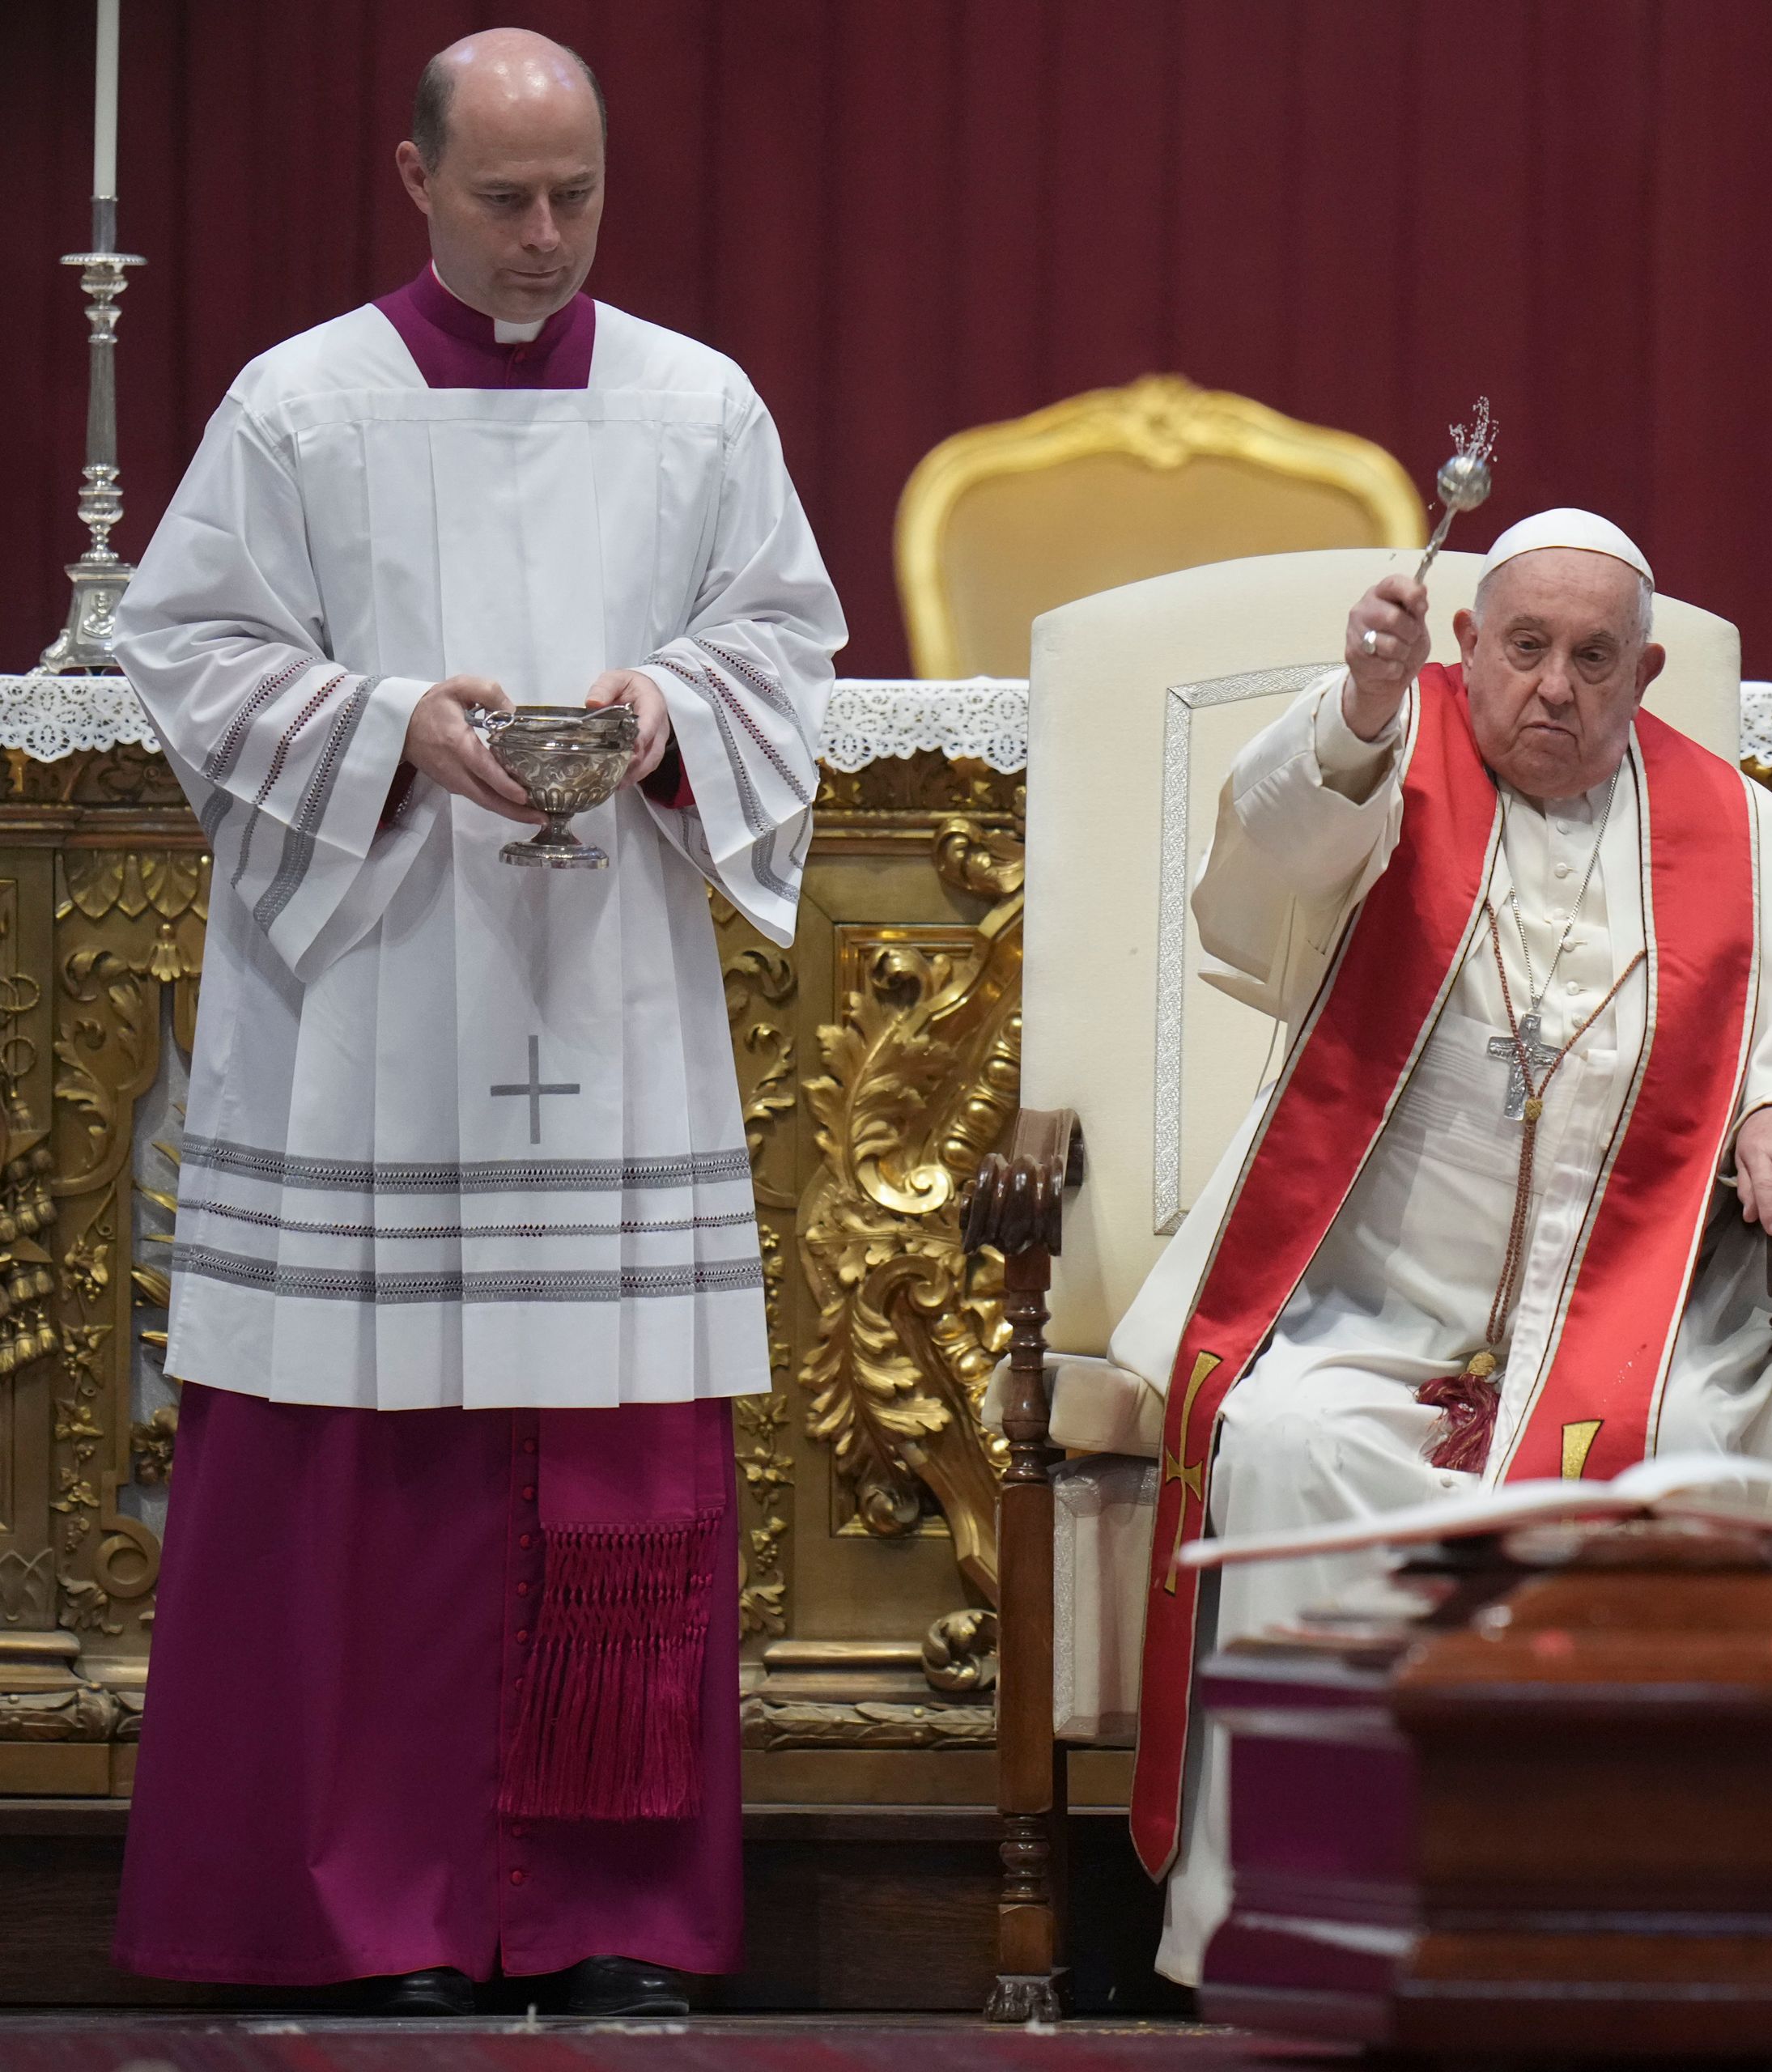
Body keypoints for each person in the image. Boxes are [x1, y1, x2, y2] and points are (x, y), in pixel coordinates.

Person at [108, 29, 839, 2015]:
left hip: (604, 1001)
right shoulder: (302, 406)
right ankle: (377, 1915)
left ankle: (611, 1916)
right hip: (373, 1008)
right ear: (413, 178)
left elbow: (788, 634)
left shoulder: (697, 407)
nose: (541, 236)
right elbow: (186, 641)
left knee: (615, 1465)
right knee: (369, 1477)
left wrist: (669, 710)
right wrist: (394, 727)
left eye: (576, 196)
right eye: (504, 196)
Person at [1109, 510, 1772, 1985]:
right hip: (1369, 1320)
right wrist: (1356, 705)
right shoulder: (1387, 777)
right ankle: (1315, 1924)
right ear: (1466, 648)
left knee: (1694, 1477)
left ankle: (1623, 1942)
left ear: (1646, 671)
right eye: (1523, 647)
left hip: (1643, 1327)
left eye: (1596, 659)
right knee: (1287, 1448)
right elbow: (1265, 865)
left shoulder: (1740, 829)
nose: (1556, 686)